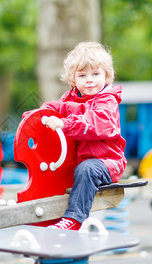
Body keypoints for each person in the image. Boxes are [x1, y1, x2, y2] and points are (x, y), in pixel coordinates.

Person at [23, 41, 126, 230]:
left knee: (86, 169)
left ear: (107, 76)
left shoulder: (107, 100)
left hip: (106, 162)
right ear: (73, 79)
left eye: (95, 74)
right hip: (77, 163)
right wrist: (35, 117)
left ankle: (74, 219)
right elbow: (55, 107)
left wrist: (65, 123)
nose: (89, 80)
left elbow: (97, 124)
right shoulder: (70, 97)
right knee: (61, 171)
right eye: (82, 75)